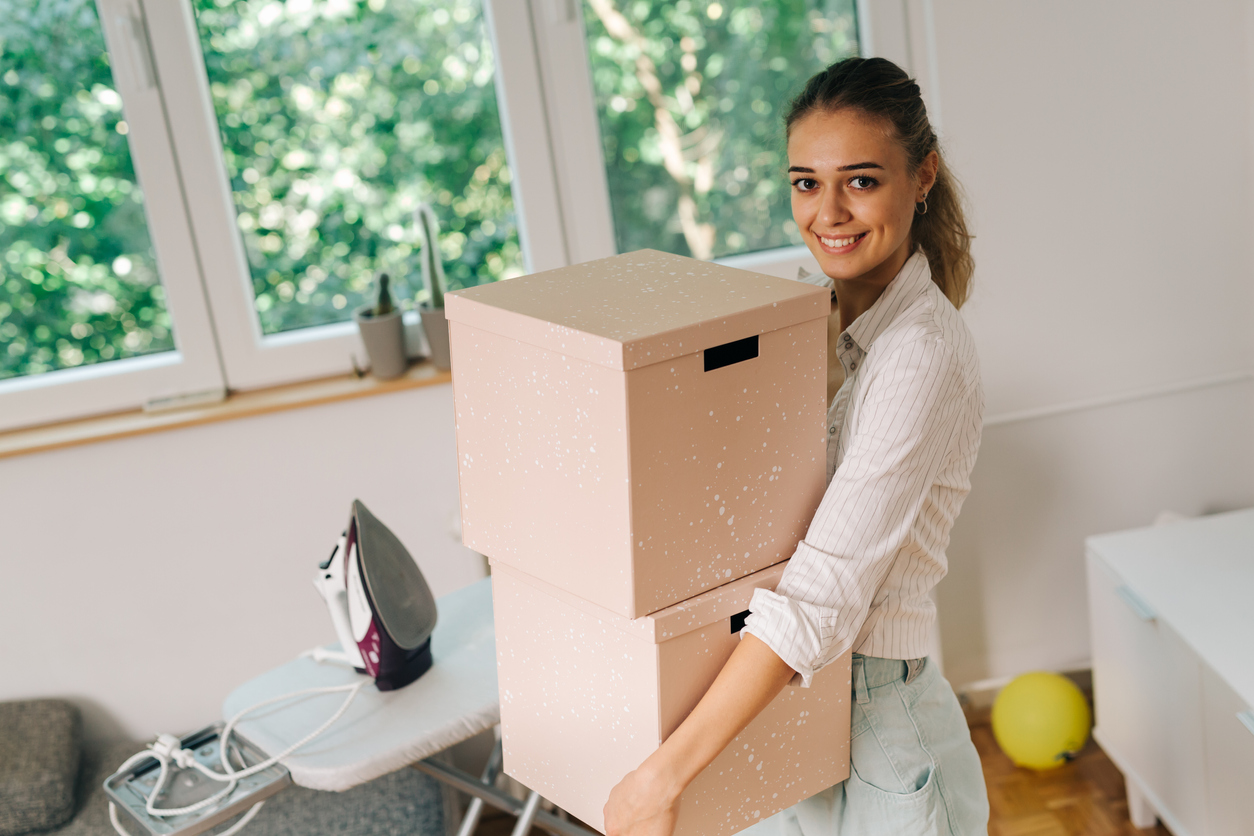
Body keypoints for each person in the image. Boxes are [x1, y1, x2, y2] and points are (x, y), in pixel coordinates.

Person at [602, 56, 988, 836]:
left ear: (923, 176)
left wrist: (661, 776)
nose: (829, 212)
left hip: (881, 723)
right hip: (791, 708)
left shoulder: (920, 352)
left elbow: (824, 588)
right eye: (806, 182)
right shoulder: (803, 323)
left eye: (861, 179)